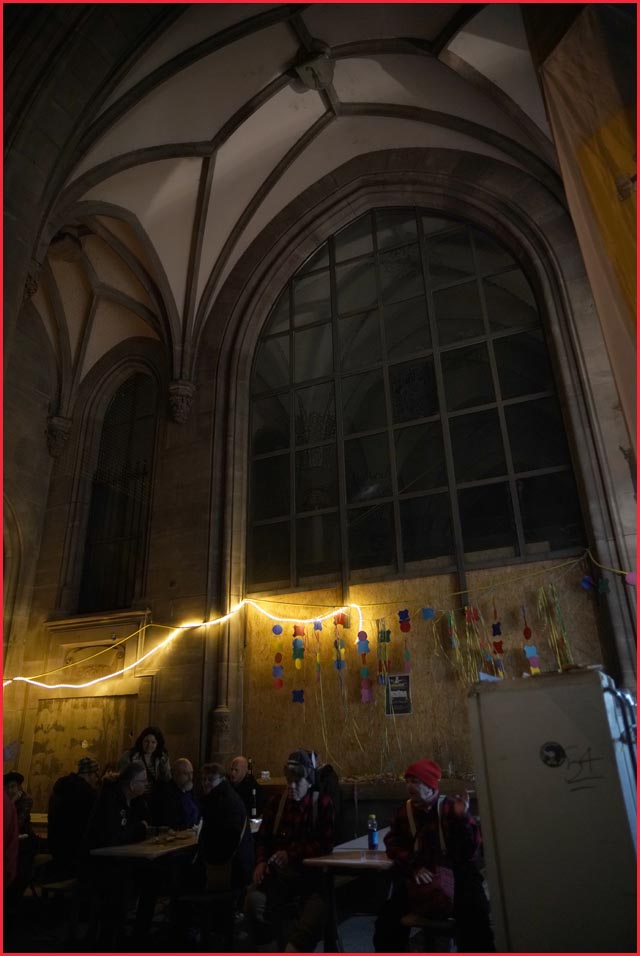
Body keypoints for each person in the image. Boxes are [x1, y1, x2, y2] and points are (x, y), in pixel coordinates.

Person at [373, 759, 494, 953]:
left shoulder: (450, 807)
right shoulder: (405, 812)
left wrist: (463, 819)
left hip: (457, 875)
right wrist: (413, 867)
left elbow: (471, 850)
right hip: (422, 875)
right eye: (407, 781)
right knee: (387, 921)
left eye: (415, 781)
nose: (409, 786)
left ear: (430, 785)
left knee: (475, 917)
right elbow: (392, 844)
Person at [244, 749, 334, 953]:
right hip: (279, 879)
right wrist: (261, 862)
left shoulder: (321, 804)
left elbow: (325, 844)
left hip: (311, 880)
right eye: (289, 781)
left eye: (297, 781)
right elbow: (262, 839)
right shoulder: (277, 804)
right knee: (253, 902)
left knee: (307, 929)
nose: (292, 786)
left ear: (309, 781)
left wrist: (291, 854)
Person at [82, 762, 155, 947]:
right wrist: (139, 829)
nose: (146, 784)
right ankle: (112, 939)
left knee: (151, 879)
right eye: (143, 781)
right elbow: (113, 835)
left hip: (119, 859)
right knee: (124, 885)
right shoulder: (110, 800)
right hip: (100, 864)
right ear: (131, 784)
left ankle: (136, 934)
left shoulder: (132, 800)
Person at [47, 756, 101, 877]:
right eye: (96, 775)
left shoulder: (60, 787)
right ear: (90, 774)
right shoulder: (88, 793)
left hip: (56, 848)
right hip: (77, 853)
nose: (96, 779)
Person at [118, 725, 171, 822]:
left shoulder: (161, 758)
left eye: (153, 742)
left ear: (157, 744)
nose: (149, 745)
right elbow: (123, 777)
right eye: (146, 741)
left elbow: (167, 778)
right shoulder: (129, 756)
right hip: (135, 797)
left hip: (155, 798)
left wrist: (164, 764)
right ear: (141, 741)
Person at [156, 757, 200, 829]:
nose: (190, 777)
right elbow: (176, 819)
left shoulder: (191, 789)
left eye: (191, 773)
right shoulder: (166, 792)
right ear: (175, 774)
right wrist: (184, 793)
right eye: (186, 773)